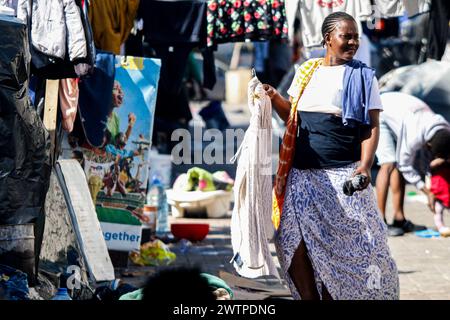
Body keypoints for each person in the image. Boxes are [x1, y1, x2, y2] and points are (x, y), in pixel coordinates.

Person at [264, 12, 399, 300]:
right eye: (345, 36)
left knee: (346, 250)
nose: (352, 42)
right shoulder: (306, 71)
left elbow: (370, 127)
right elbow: (293, 119)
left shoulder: (363, 78)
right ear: (327, 39)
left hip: (342, 178)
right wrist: (275, 97)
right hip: (301, 177)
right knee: (292, 241)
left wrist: (364, 166)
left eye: (355, 37)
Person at [375, 92, 450, 236]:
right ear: (428, 144)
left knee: (396, 164)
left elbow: (429, 160)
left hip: (401, 112)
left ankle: (399, 219)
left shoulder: (444, 129)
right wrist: (427, 192)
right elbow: (406, 166)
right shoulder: (414, 135)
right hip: (380, 112)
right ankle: (379, 223)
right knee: (389, 164)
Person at [430, 156, 450, 237]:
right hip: (438, 193)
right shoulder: (433, 164)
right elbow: (430, 166)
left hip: (446, 191)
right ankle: (440, 227)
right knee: (438, 211)